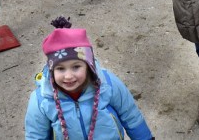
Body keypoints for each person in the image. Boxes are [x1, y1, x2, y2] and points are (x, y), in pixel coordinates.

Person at [24, 17, 154, 139]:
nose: (68, 76)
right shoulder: (42, 99)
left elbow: (131, 115)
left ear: (88, 65)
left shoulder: (107, 84)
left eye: (76, 67)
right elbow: (35, 135)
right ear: (52, 69)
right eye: (60, 69)